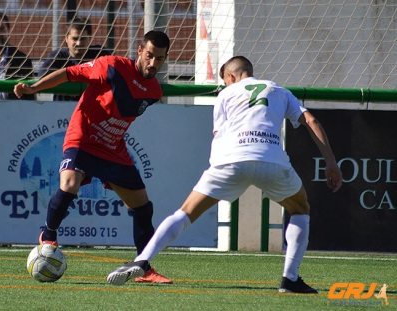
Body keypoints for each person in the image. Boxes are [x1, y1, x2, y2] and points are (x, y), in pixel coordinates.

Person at [106, 56, 343, 293]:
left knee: (185, 212)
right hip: (271, 159)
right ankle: (289, 279)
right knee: (300, 209)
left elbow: (218, 134)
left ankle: (142, 259)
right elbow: (310, 120)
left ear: (230, 77)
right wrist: (331, 162)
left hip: (229, 160)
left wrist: (218, 168)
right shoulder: (279, 90)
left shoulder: (225, 94)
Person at [13, 30, 173, 284]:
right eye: (150, 56)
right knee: (69, 184)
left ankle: (144, 268)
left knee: (143, 207)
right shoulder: (111, 66)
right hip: (83, 138)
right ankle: (48, 235)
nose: (153, 63)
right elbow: (68, 73)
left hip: (113, 150)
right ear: (140, 51)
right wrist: (34, 87)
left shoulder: (153, 91)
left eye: (160, 59)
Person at [38, 16, 111, 101]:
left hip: (94, 109)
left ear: (90, 39)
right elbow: (42, 76)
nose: (79, 43)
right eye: (75, 38)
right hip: (62, 109)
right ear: (66, 38)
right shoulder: (58, 57)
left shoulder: (100, 54)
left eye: (83, 39)